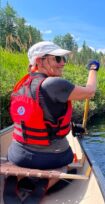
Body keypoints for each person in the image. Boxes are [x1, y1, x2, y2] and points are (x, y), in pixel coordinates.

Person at [5, 41, 99, 203]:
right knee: (69, 160)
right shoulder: (54, 84)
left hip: (17, 155)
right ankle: (41, 188)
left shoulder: (22, 85)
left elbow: (40, 118)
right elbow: (90, 91)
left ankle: (11, 184)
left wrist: (68, 126)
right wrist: (93, 69)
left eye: (63, 59)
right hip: (51, 158)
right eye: (57, 58)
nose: (62, 63)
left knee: (14, 153)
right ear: (40, 61)